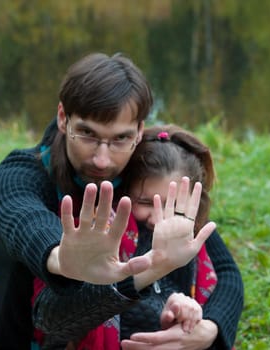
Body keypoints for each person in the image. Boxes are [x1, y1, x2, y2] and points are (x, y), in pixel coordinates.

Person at [0, 52, 215, 349]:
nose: (102, 160)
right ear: (63, 118)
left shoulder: (139, 169)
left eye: (119, 138)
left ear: (139, 132)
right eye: (87, 134)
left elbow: (223, 265)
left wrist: (211, 330)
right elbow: (28, 226)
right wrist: (61, 258)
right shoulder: (19, 176)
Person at [33, 125, 244, 349]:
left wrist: (194, 318)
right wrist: (151, 273)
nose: (158, 218)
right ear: (122, 190)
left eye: (171, 206)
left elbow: (229, 275)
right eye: (144, 202)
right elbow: (57, 317)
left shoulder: (190, 227)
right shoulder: (100, 228)